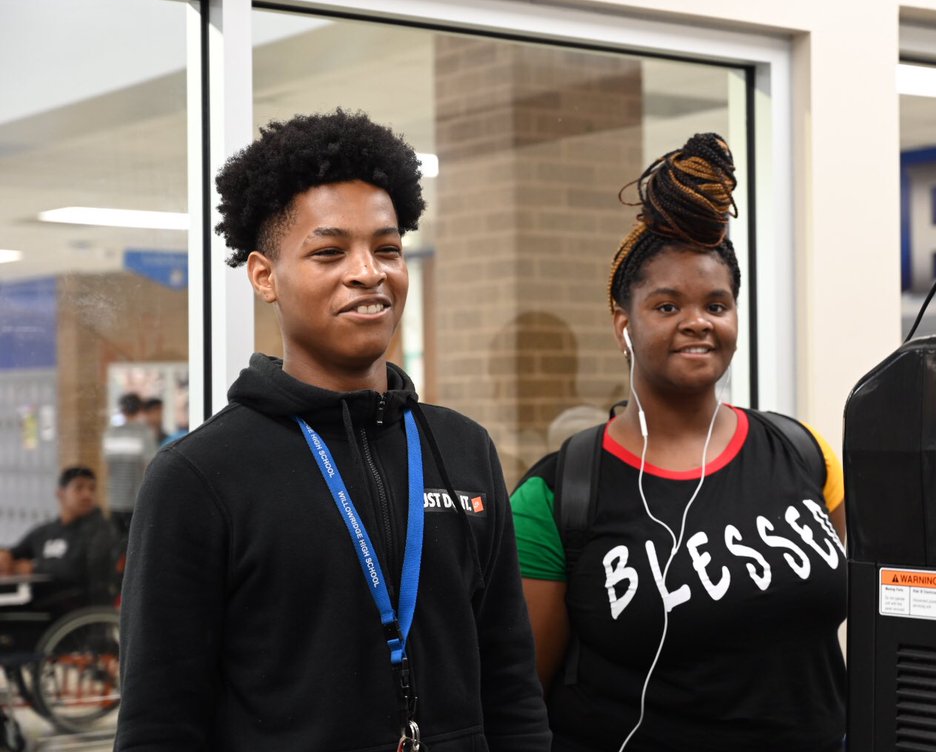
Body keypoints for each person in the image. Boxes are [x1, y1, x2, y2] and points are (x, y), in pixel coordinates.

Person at [115, 109, 550, 752]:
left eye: (387, 248)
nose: (368, 272)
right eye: (329, 251)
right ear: (265, 276)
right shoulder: (200, 477)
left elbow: (511, 685)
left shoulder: (462, 450)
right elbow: (160, 725)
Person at [510, 133, 848, 751]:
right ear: (624, 325)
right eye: (666, 306)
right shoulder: (556, 497)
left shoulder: (804, 452)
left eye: (716, 303)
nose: (697, 321)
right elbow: (520, 703)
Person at [0, 466, 120, 620]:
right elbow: (16, 552)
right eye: (79, 488)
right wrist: (5, 556)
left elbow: (77, 569)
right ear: (60, 493)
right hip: (40, 604)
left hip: (78, 609)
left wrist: (35, 567)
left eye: (92, 489)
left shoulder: (101, 530)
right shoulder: (45, 532)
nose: (87, 495)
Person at [101, 392, 157, 536]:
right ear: (140, 409)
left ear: (121, 410)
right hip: (136, 499)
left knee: (117, 542)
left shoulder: (110, 433)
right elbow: (149, 466)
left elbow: (106, 468)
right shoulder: (144, 433)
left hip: (115, 498)